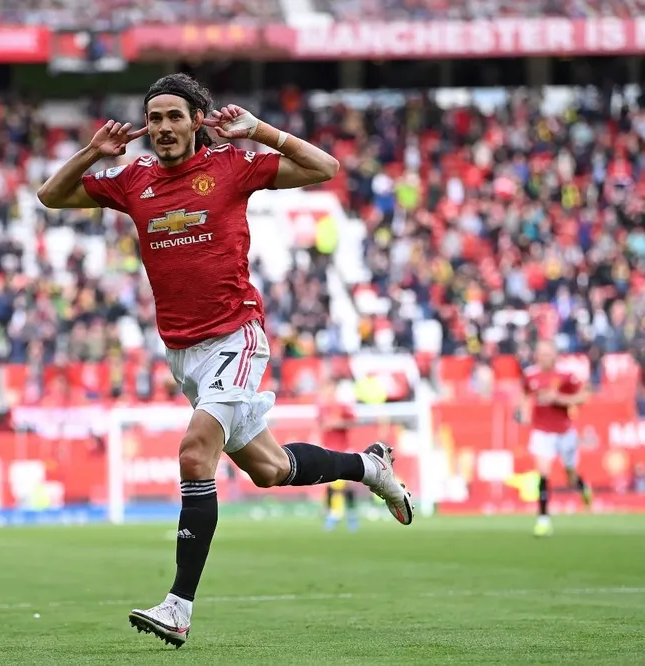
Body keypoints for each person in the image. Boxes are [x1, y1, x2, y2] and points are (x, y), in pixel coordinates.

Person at [37, 73, 413, 648]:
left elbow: (325, 169)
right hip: (184, 353)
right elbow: (51, 196)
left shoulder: (233, 165)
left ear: (196, 121)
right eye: (154, 118)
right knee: (270, 469)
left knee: (193, 453)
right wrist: (93, 151)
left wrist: (261, 131)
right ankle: (370, 467)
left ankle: (178, 607)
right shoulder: (132, 180)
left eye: (174, 117)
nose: (163, 128)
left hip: (236, 337)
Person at [520, 340, 592, 537]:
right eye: (541, 353)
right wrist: (525, 413)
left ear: (555, 354)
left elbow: (583, 396)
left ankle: (582, 486)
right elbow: (526, 394)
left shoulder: (566, 375)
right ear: (536, 355)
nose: (545, 357)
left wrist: (558, 398)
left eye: (548, 353)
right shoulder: (530, 375)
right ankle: (543, 519)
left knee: (570, 475)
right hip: (542, 431)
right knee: (543, 473)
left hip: (564, 431)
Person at [318, 379, 359, 532]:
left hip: (344, 448)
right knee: (329, 483)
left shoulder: (343, 406)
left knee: (348, 484)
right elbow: (322, 424)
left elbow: (353, 421)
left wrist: (338, 423)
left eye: (331, 389)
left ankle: (352, 515)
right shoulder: (322, 408)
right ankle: (331, 515)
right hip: (328, 449)